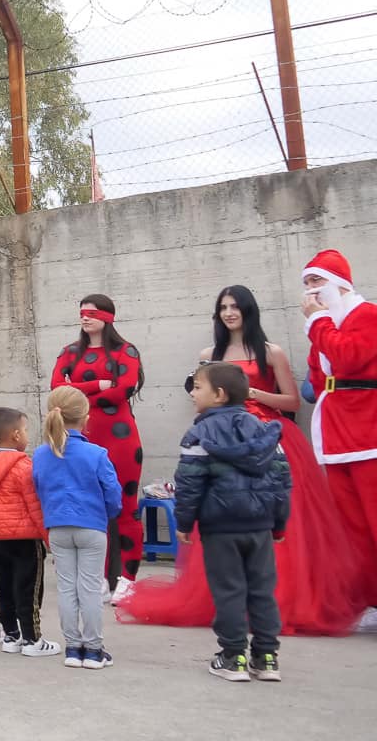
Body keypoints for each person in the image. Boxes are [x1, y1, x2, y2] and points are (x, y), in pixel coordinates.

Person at [119, 285, 363, 636]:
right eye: (223, 307)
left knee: (282, 526)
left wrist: (252, 393)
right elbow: (200, 395)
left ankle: (279, 601)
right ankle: (228, 604)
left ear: (249, 310)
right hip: (219, 441)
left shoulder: (270, 352)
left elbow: (293, 402)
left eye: (236, 306)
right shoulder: (209, 353)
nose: (230, 312)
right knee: (220, 518)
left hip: (267, 439)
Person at [172, 362, 290, 682]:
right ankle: (266, 657)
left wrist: (184, 522)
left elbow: (189, 483)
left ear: (219, 395)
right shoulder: (265, 432)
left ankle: (233, 656)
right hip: (261, 526)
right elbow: (281, 479)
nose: (193, 393)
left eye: (197, 387)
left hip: (220, 527)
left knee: (229, 591)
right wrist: (279, 523)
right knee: (262, 591)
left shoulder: (199, 433)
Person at [301, 249, 377, 631]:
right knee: (353, 529)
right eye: (307, 283)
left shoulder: (367, 316)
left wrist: (317, 321)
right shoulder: (324, 327)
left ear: (341, 283)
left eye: (318, 281)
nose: (312, 290)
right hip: (334, 434)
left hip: (369, 430)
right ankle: (369, 599)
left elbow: (349, 357)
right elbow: (318, 378)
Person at [50, 293, 145, 598]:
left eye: (92, 313)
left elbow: (124, 390)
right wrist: (97, 385)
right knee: (93, 509)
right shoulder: (70, 351)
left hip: (120, 438)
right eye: (82, 313)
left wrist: (76, 393)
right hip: (82, 439)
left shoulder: (125, 351)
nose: (85, 317)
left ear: (107, 317)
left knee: (127, 508)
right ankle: (101, 578)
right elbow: (56, 389)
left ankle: (127, 578)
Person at [32, 386, 122, 670]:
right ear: (85, 417)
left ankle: (73, 647)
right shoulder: (96, 453)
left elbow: (38, 487)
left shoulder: (41, 454)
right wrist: (107, 514)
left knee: (67, 588)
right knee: (91, 588)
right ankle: (94, 649)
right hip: (92, 525)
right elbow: (112, 493)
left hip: (58, 526)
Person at [0, 407, 59, 657]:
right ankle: (33, 639)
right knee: (29, 589)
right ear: (16, 435)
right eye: (27, 430)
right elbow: (35, 506)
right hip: (25, 538)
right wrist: (47, 536)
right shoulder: (23, 467)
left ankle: (11, 635)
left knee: (5, 587)